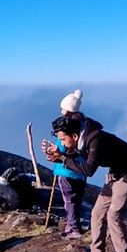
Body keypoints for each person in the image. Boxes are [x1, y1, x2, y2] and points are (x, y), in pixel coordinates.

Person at [44, 115, 127, 252]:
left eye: (63, 139)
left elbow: (88, 170)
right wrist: (61, 155)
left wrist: (62, 159)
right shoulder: (84, 138)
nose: (62, 144)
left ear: (75, 136)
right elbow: (78, 152)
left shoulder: (95, 139)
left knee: (114, 216)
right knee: (97, 213)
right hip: (115, 174)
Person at [42, 89, 87, 237]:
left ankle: (73, 229)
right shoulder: (84, 124)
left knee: (69, 200)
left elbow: (62, 147)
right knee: (76, 199)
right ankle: (74, 226)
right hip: (81, 169)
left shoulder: (67, 126)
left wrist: (52, 151)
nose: (61, 111)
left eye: (64, 108)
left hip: (66, 169)